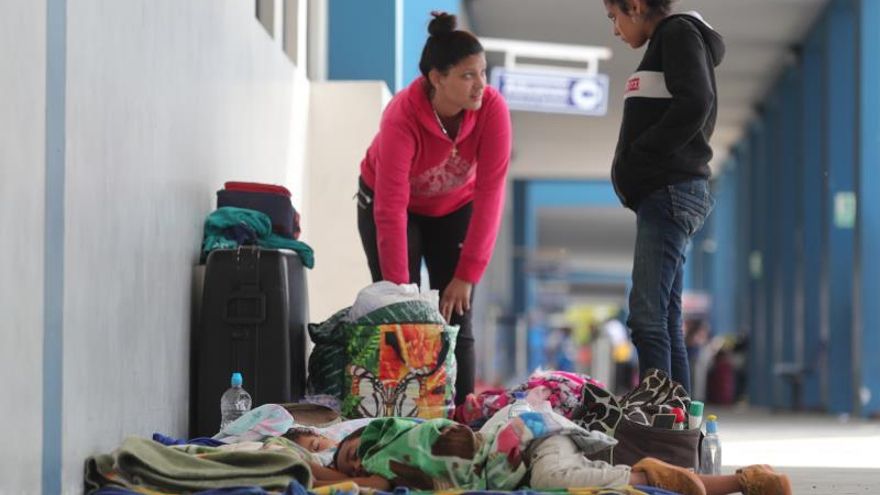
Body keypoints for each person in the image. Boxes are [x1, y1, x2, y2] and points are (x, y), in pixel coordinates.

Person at [357, 11, 512, 405]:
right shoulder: (402, 116)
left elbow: (491, 192)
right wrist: (401, 294)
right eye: (468, 75)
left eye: (483, 72)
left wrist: (467, 274)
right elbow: (391, 208)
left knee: (458, 315)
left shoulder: (492, 109)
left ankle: (462, 417)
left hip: (454, 207)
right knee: (401, 320)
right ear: (437, 78)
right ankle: (399, 415)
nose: (481, 84)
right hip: (392, 208)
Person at [603, 0, 723, 392]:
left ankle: (658, 418)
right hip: (668, 191)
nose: (615, 29)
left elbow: (697, 102)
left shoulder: (677, 33)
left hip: (669, 190)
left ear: (635, 6)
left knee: (647, 317)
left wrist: (642, 155)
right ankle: (677, 419)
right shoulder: (669, 41)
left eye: (615, 17)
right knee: (665, 318)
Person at [323, 418, 792, 495]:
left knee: (555, 480)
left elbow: (363, 474)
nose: (358, 465)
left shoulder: (394, 436)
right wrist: (330, 469)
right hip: (521, 457)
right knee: (590, 480)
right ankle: (747, 482)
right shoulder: (390, 473)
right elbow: (364, 483)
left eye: (353, 453)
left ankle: (652, 475)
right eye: (351, 469)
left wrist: (316, 462)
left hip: (529, 442)